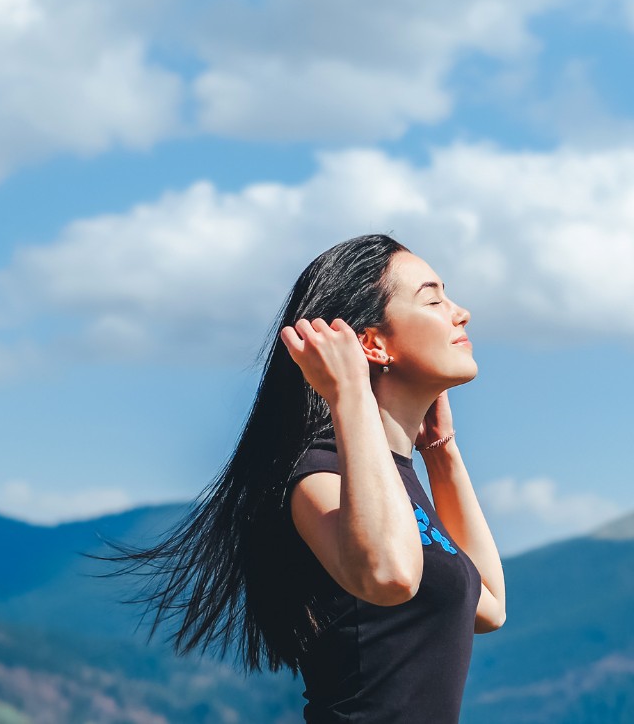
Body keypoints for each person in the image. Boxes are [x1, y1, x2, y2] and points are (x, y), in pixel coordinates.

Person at [86, 233, 506, 722]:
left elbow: (490, 606)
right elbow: (388, 575)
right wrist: (347, 394)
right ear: (371, 344)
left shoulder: (400, 475)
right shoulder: (320, 475)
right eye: (433, 299)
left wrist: (442, 452)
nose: (461, 312)